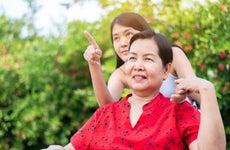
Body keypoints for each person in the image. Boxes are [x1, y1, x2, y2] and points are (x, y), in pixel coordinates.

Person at [44, 29, 226, 150]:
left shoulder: (179, 112)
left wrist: (207, 90)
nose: (138, 66)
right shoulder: (105, 114)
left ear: (166, 70)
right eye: (132, 58)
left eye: (148, 59)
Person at [83, 12, 197, 107]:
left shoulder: (173, 54)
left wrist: (185, 91)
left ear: (143, 33)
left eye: (128, 34)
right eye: (116, 38)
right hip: (156, 130)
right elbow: (107, 106)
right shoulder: (121, 73)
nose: (122, 43)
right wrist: (94, 65)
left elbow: (197, 90)